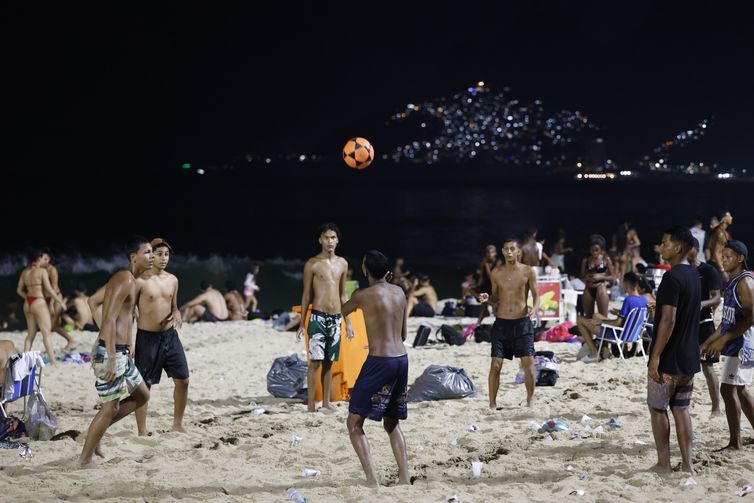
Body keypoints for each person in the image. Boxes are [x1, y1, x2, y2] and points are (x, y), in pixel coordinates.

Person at [79, 237, 153, 466]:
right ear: (134, 257)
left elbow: (96, 302)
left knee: (142, 396)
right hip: (110, 353)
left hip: (121, 352)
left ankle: (97, 434)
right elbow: (109, 318)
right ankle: (84, 460)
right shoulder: (125, 279)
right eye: (147, 252)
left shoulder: (129, 279)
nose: (151, 256)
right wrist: (111, 356)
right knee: (110, 407)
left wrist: (128, 343)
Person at [342, 250, 409, 487]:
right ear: (388, 272)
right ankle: (404, 478)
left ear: (365, 270)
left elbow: (341, 310)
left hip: (380, 361)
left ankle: (372, 479)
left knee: (353, 423)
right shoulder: (400, 292)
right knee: (392, 423)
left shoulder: (363, 295)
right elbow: (403, 334)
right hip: (401, 359)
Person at [646, 226, 700, 474]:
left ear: (678, 247)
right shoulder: (693, 275)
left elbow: (669, 320)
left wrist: (655, 357)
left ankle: (664, 464)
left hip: (669, 358)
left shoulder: (672, 277)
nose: (660, 246)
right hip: (689, 357)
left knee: (658, 408)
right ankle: (688, 465)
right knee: (681, 409)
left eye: (665, 242)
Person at [700, 241, 754, 451]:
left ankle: (735, 443)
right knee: (740, 390)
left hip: (744, 343)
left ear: (740, 258)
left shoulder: (745, 282)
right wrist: (708, 342)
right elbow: (727, 321)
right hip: (735, 341)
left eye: (728, 256)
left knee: (728, 389)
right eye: (722, 256)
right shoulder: (732, 282)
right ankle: (737, 441)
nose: (723, 260)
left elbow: (750, 318)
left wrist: (723, 340)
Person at [296, 223, 354, 413]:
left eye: (333, 237)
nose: (330, 241)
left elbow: (343, 294)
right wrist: (302, 323)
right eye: (326, 237)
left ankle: (327, 403)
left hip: (336, 318)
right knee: (315, 362)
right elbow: (306, 295)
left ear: (338, 240)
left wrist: (349, 322)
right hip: (318, 317)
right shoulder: (312, 264)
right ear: (320, 239)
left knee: (330, 362)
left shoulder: (343, 263)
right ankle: (312, 405)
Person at [133, 238, 188, 436]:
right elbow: (129, 312)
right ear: (150, 255)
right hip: (147, 338)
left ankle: (177, 424)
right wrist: (129, 344)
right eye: (159, 254)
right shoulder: (139, 281)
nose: (163, 258)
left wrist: (177, 312)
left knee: (183, 380)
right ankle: (142, 431)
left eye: (166, 254)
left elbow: (174, 305)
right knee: (144, 386)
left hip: (170, 336)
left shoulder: (173, 279)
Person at [479, 237, 539, 408]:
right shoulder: (496, 273)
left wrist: (534, 308)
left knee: (528, 364)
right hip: (502, 324)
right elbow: (496, 296)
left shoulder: (528, 271)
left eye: (512, 248)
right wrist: (487, 298)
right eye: (506, 249)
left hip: (522, 323)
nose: (509, 252)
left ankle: (530, 399)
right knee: (495, 365)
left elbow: (536, 295)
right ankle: (492, 404)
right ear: (503, 251)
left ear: (519, 251)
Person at [575, 272, 647, 363]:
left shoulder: (628, 300)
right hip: (632, 334)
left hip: (618, 334)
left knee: (580, 320)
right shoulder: (643, 300)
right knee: (596, 315)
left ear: (625, 283)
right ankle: (604, 349)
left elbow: (618, 323)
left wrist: (600, 322)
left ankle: (594, 353)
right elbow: (628, 318)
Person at [689, 239, 723, 416]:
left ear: (695, 249)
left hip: (704, 324)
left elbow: (717, 298)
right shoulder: (682, 271)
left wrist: (700, 304)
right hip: (687, 325)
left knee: (708, 367)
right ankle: (684, 405)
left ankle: (716, 407)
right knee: (687, 367)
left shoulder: (708, 270)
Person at [16, 250, 67, 363]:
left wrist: (27, 298)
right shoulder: (42, 271)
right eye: (44, 259)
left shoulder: (25, 272)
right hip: (38, 301)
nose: (46, 261)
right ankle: (53, 361)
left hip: (28, 303)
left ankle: (24, 360)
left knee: (30, 334)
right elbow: (49, 289)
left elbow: (19, 290)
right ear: (38, 259)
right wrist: (60, 301)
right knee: (46, 332)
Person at [580, 234, 616, 318]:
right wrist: (587, 277)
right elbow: (582, 277)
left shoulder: (606, 259)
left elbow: (613, 278)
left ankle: (603, 330)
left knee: (603, 317)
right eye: (592, 250)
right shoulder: (586, 260)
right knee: (588, 317)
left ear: (601, 249)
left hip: (601, 288)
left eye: (596, 250)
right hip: (589, 288)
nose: (594, 252)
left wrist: (601, 277)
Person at [475, 245, 501, 324]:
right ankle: (478, 323)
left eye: (492, 252)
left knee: (495, 307)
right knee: (484, 307)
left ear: (495, 253)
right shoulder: (484, 262)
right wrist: (478, 285)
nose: (490, 254)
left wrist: (486, 265)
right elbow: (481, 276)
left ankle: (499, 323)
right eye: (488, 252)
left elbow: (491, 276)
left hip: (495, 288)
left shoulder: (498, 262)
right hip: (485, 286)